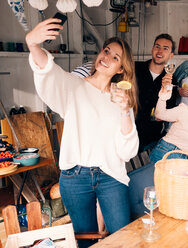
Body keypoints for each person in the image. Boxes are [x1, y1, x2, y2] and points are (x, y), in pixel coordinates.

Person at [26, 18, 139, 248]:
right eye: (106, 50)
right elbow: (50, 74)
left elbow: (128, 150)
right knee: (85, 239)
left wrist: (126, 111)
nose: (106, 57)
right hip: (75, 177)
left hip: (111, 176)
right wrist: (33, 44)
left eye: (115, 57)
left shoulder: (120, 99)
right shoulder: (75, 86)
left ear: (121, 69)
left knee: (123, 238)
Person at [72, 34, 177, 152]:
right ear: (152, 49)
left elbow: (170, 110)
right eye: (157, 46)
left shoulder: (172, 80)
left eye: (165, 48)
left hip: (150, 137)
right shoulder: (134, 68)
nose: (160, 51)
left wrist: (162, 109)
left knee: (140, 168)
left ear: (171, 55)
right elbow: (107, 79)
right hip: (121, 130)